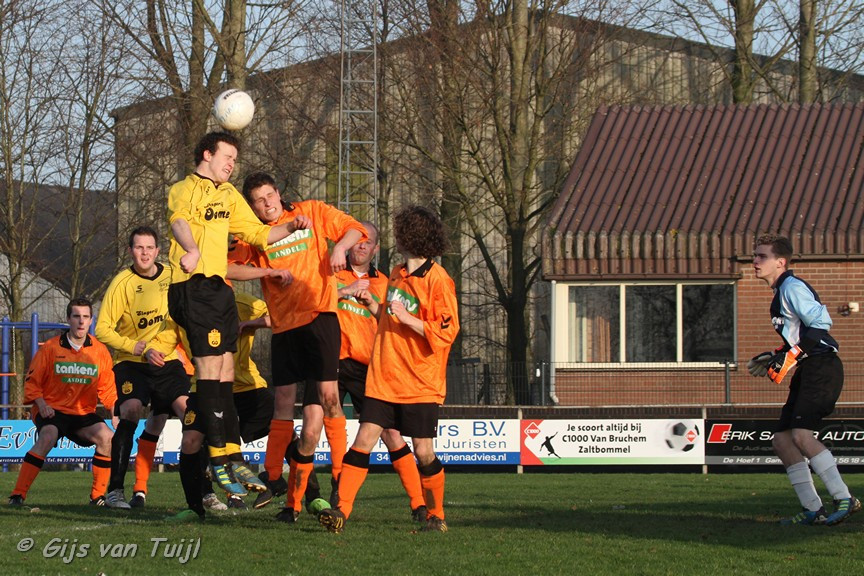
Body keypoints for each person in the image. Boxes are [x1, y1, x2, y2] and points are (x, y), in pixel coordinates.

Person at [165, 132, 301, 496]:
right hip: (192, 286)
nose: (231, 164)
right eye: (227, 156)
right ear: (207, 154)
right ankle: (218, 458)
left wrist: (290, 226)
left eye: (235, 159)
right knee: (209, 370)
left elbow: (257, 233)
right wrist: (191, 249)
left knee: (226, 370)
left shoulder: (228, 194)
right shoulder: (184, 188)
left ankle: (233, 454)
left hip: (219, 291)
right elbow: (179, 221)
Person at [227, 172, 365, 522]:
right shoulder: (255, 236)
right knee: (284, 402)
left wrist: (341, 247)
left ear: (279, 193)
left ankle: (338, 477)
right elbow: (227, 268)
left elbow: (354, 228)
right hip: (284, 326)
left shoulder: (311, 211)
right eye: (258, 201)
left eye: (270, 195)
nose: (267, 204)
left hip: (319, 317)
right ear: (252, 207)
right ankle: (275, 477)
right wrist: (265, 273)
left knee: (328, 399)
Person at [318, 205, 459, 533]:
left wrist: (408, 318)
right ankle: (340, 511)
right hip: (385, 376)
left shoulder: (438, 280)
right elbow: (391, 319)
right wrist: (374, 307)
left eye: (400, 231)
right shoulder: (397, 273)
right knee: (364, 438)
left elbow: (446, 332)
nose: (396, 237)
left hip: (419, 380)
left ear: (412, 236)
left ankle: (436, 515)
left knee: (424, 451)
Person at [748, 234, 860, 526]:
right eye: (755, 255)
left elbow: (821, 324)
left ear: (780, 262)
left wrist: (791, 356)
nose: (755, 261)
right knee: (782, 441)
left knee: (801, 435)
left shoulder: (792, 287)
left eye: (762, 256)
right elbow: (798, 338)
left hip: (822, 367)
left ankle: (844, 498)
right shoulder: (781, 291)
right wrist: (775, 355)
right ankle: (813, 510)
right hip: (808, 368)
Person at [332, 221, 426, 521]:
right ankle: (299, 503)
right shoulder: (330, 272)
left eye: (368, 240)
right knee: (313, 425)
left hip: (368, 366)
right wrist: (344, 291)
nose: (361, 244)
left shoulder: (386, 283)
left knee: (391, 434)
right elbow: (312, 303)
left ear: (375, 248)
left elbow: (394, 324)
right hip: (331, 362)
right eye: (357, 239)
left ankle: (419, 503)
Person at [95, 226, 191, 509]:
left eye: (149, 247)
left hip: (167, 360)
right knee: (131, 410)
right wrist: (135, 346)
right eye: (139, 247)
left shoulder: (173, 275)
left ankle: (204, 491)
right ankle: (115, 491)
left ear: (158, 251)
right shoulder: (121, 283)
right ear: (130, 251)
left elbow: (186, 313)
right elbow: (102, 329)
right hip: (132, 363)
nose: (145, 253)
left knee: (191, 414)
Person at [8, 298, 118, 507]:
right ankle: (17, 495)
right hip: (52, 410)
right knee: (48, 436)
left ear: (91, 320)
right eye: (76, 316)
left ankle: (97, 497)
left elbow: (108, 389)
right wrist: (41, 405)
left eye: (85, 317)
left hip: (82, 414)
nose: (81, 321)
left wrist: (114, 413)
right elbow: (32, 383)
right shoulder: (50, 348)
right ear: (68, 319)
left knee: (107, 438)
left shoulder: (100, 351)